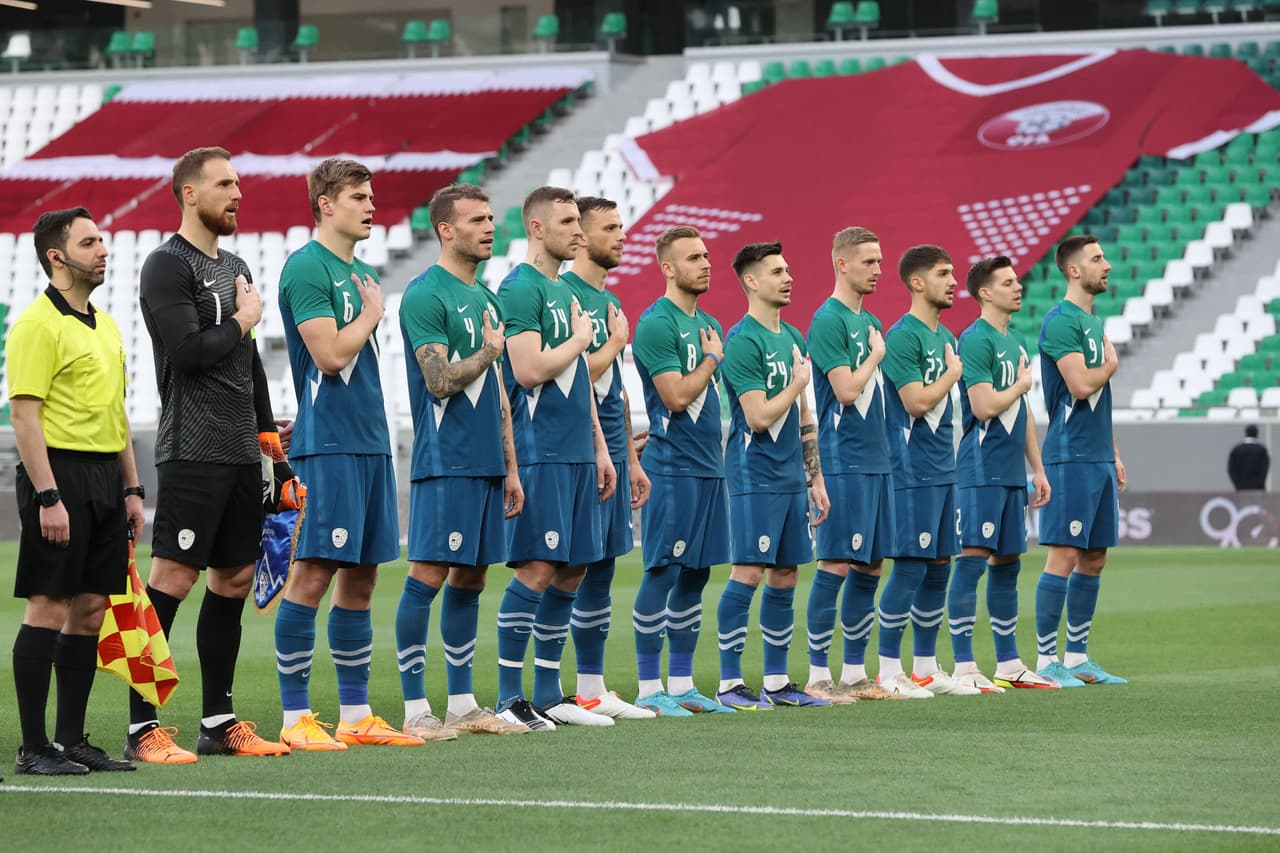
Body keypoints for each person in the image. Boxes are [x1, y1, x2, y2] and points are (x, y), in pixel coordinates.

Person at [132, 147, 291, 762]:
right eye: (225, 184)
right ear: (191, 194)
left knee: (235, 578)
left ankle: (219, 722)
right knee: (172, 578)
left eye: (239, 182)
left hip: (238, 450)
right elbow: (191, 353)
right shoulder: (164, 266)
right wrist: (247, 319)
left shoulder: (237, 264)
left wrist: (270, 445)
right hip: (191, 447)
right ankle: (142, 727)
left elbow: (248, 365)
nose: (239, 194)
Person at [274, 157, 424, 749]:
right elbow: (331, 356)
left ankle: (356, 715)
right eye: (359, 196)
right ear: (326, 204)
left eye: (372, 196)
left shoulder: (357, 270)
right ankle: (294, 720)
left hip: (369, 444)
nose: (371, 205)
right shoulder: (307, 268)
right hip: (328, 446)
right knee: (312, 575)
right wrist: (370, 313)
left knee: (360, 580)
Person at [8, 208, 144, 775]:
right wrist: (47, 496)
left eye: (103, 241)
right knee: (50, 605)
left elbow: (116, 413)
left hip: (105, 480)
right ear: (56, 257)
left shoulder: (107, 326)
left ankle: (70, 741)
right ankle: (33, 747)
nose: (103, 250)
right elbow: (23, 414)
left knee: (89, 610)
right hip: (57, 476)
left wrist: (133, 487)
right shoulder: (36, 324)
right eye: (89, 242)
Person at [393, 183, 529, 738]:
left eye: (492, 218)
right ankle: (414, 710)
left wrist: (512, 466)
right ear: (447, 229)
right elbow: (439, 381)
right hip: (444, 460)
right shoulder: (426, 295)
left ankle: (463, 705)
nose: (491, 227)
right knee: (427, 576)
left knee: (471, 579)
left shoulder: (488, 298)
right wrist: (491, 351)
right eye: (477, 219)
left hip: (487, 466)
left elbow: (498, 394)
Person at [493, 185, 616, 731]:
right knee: (538, 568)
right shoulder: (520, 289)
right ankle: (507, 697)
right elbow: (527, 370)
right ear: (537, 228)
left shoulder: (562, 293)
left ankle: (550, 692)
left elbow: (579, 382)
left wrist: (601, 448)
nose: (579, 231)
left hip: (576, 454)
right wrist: (583, 339)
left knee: (574, 569)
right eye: (568, 222)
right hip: (539, 451)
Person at [714, 241, 831, 711]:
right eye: (777, 271)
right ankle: (728, 685)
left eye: (788, 270)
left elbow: (805, 417)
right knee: (750, 572)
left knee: (785, 575)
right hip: (754, 473)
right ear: (751, 281)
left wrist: (815, 477)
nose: (788, 278)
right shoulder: (743, 340)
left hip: (789, 477)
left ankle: (778, 684)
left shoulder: (793, 337)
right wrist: (799, 382)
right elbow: (758, 416)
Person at [630, 225, 734, 717]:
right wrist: (713, 357)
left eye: (707, 255)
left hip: (709, 469)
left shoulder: (708, 320)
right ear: (668, 268)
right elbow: (674, 396)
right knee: (663, 571)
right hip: (672, 468)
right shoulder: (656, 323)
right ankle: (649, 689)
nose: (706, 263)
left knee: (696, 575)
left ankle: (683, 684)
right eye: (693, 257)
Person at [558, 196, 655, 720]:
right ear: (581, 238)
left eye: (622, 226)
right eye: (610, 228)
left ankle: (592, 687)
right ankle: (553, 687)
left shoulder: (609, 301)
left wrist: (631, 458)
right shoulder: (566, 296)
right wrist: (613, 344)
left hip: (614, 449)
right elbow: (573, 378)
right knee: (570, 567)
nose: (621, 235)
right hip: (573, 451)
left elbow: (612, 388)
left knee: (603, 565)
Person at [877, 244, 979, 698]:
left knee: (939, 567)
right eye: (944, 273)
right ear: (917, 283)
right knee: (910, 567)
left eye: (953, 272)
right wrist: (953, 374)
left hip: (943, 469)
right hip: (911, 469)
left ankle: (924, 666)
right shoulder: (904, 336)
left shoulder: (945, 338)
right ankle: (886, 669)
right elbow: (915, 402)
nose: (954, 281)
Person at [951, 256, 1057, 692]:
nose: (1018, 287)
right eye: (1008, 282)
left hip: (1011, 473)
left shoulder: (1014, 342)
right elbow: (983, 406)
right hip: (981, 468)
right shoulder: (974, 340)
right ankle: (963, 666)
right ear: (985, 293)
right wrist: (1020, 386)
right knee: (972, 562)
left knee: (1008, 565)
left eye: (1017, 281)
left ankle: (1010, 663)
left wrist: (1037, 468)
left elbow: (1022, 410)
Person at [803, 227, 896, 703]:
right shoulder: (828, 320)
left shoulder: (870, 318)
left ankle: (856, 674)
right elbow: (844, 390)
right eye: (869, 262)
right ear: (842, 264)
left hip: (877, 462)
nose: (878, 270)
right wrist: (877, 354)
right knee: (836, 564)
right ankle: (819, 675)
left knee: (871, 567)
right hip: (843, 462)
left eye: (880, 262)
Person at [1034, 234, 1128, 687]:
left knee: (1095, 558)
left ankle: (1077, 658)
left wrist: (1113, 453)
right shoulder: (1061, 322)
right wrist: (1111, 365)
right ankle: (1045, 659)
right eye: (1097, 258)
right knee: (1065, 555)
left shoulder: (1093, 322)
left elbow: (1099, 400)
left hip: (1097, 458)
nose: (1106, 265)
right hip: (1069, 456)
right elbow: (1080, 386)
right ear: (1074, 270)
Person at [1228, 425, 1270, 491]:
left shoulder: (1236, 450)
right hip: (1258, 489)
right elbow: (1264, 470)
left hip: (1240, 489)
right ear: (1257, 434)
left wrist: (1238, 484)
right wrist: (1258, 483)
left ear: (1245, 434)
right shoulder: (1262, 450)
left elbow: (1231, 470)